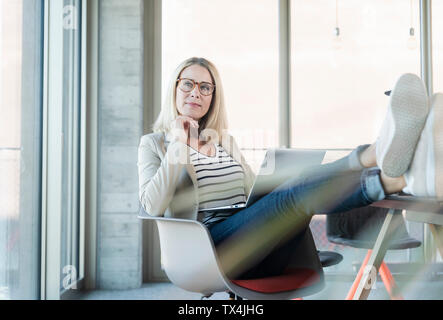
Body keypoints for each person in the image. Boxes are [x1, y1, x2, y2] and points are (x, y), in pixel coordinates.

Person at [138, 57, 442, 280]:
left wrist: (276, 179)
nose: (196, 93)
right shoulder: (154, 144)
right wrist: (179, 142)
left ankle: (389, 163)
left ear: (213, 98)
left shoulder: (223, 142)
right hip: (209, 247)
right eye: (188, 84)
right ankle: (394, 169)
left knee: (293, 183)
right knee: (291, 196)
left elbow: (254, 192)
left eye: (206, 87)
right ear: (175, 89)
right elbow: (151, 205)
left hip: (250, 232)